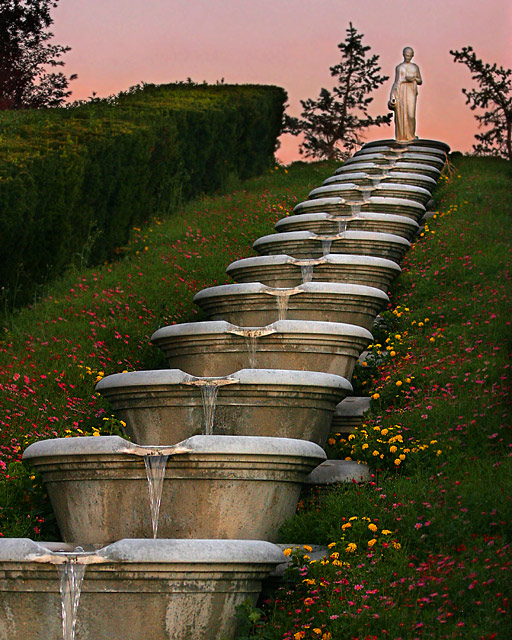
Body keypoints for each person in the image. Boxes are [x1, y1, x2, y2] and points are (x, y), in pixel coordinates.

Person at [388, 47, 422, 141]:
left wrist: (413, 79)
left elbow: (420, 80)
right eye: (406, 55)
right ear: (403, 55)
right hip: (401, 90)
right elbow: (396, 82)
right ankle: (402, 136)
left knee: (411, 115)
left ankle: (411, 135)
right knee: (401, 114)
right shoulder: (399, 67)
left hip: (411, 91)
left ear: (412, 56)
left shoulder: (415, 67)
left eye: (410, 55)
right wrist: (392, 96)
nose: (408, 57)